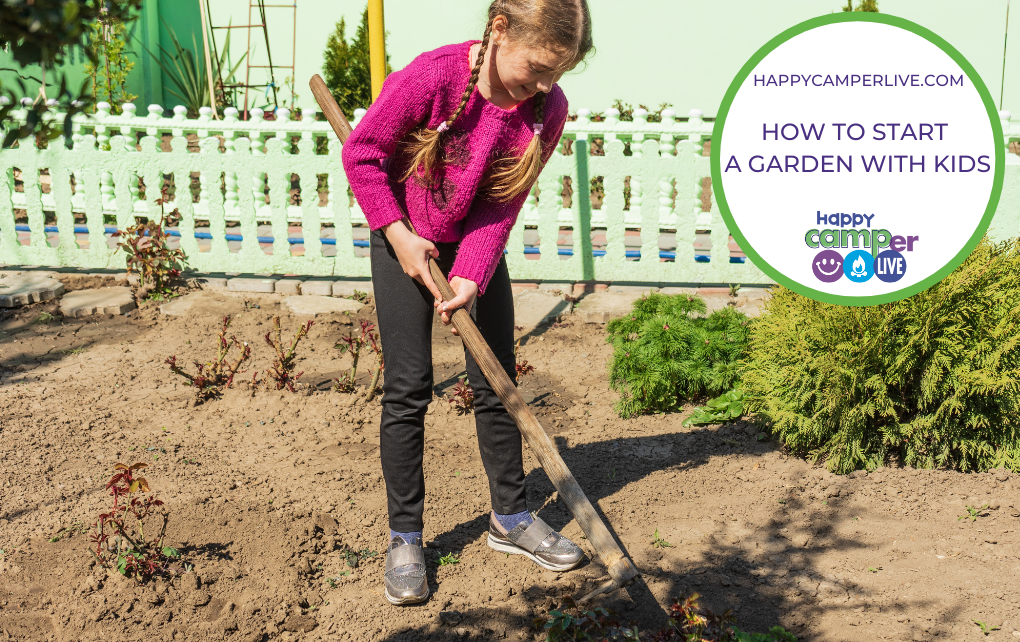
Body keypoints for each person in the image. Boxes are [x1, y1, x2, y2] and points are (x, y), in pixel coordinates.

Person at [340, 0, 594, 605]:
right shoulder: (433, 77)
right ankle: (405, 536)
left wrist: (473, 275)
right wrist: (399, 236)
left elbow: (500, 203)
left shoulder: (544, 111)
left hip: (473, 243)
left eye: (557, 74)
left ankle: (510, 517)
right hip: (404, 233)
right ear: (499, 30)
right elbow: (363, 155)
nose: (544, 85)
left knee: (496, 379)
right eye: (536, 68)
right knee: (409, 385)